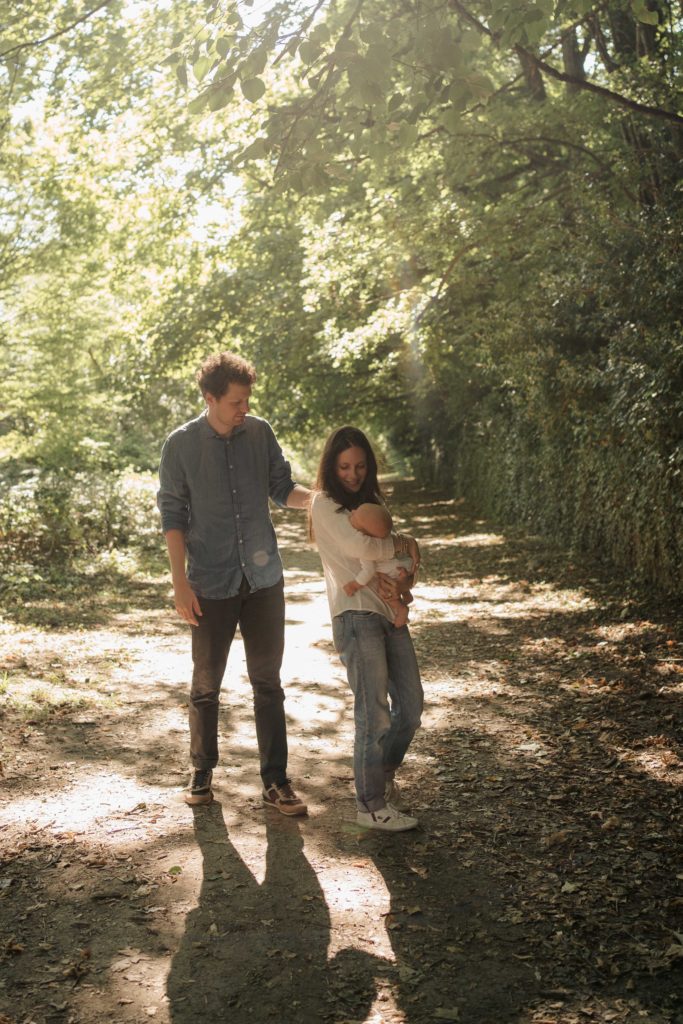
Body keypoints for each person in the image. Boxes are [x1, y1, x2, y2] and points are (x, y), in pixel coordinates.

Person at [157, 351, 310, 813]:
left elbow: (282, 489)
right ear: (211, 398)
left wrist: (322, 501)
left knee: (268, 682)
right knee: (206, 682)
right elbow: (172, 515)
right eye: (236, 402)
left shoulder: (259, 433)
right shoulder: (180, 445)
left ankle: (276, 780)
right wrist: (180, 583)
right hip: (209, 581)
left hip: (263, 580)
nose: (244, 409)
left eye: (247, 401)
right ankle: (202, 770)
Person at [310, 426, 423, 832]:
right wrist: (403, 541)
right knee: (373, 714)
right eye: (344, 466)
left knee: (410, 708)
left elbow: (402, 565)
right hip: (356, 615)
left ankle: (383, 775)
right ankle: (370, 804)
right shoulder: (323, 504)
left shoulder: (371, 502)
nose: (353, 474)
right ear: (331, 466)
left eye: (359, 466)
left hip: (389, 614)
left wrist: (407, 580)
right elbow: (363, 549)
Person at [342, 503, 413, 628]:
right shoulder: (387, 537)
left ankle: (401, 608)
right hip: (406, 564)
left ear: (363, 532)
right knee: (395, 577)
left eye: (355, 516)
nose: (352, 511)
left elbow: (368, 571)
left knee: (383, 590)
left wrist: (355, 585)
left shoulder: (367, 548)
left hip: (394, 571)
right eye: (356, 510)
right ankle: (407, 594)